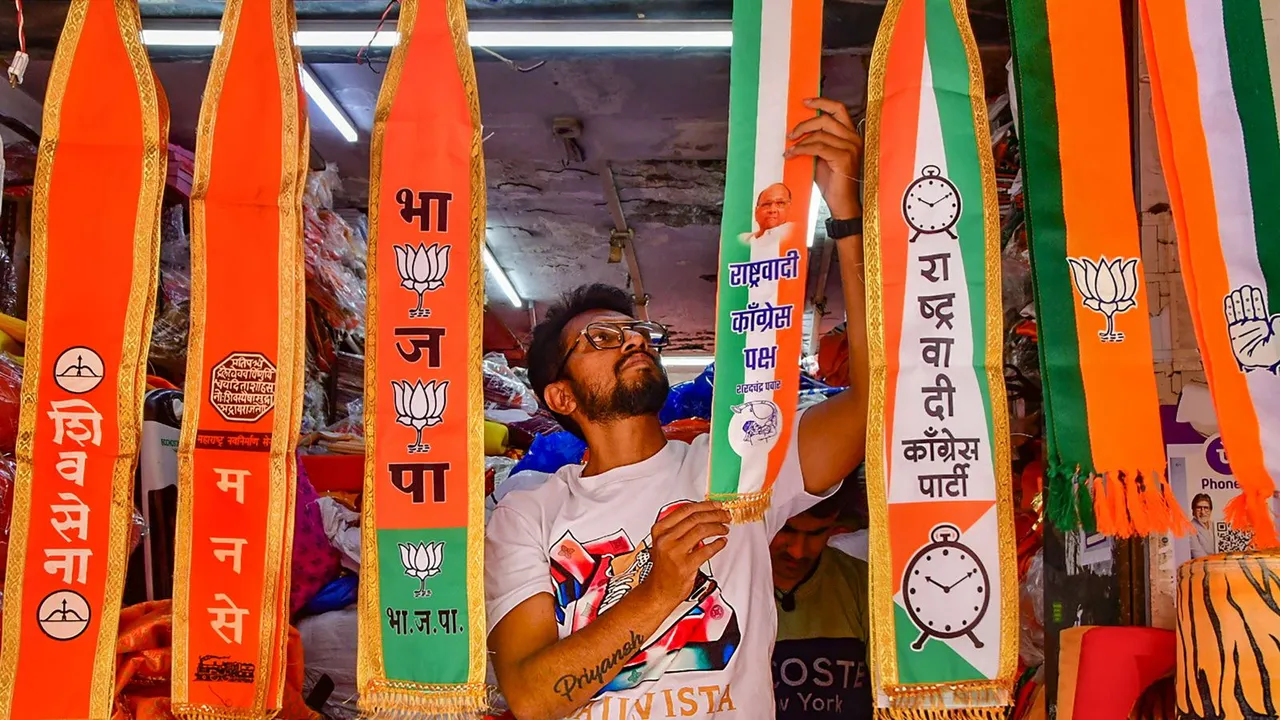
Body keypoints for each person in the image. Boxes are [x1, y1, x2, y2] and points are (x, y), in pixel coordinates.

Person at [485, 96, 869, 720]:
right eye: (602, 339)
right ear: (560, 396)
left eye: (636, 330)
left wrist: (847, 214)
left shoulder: (737, 466)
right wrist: (659, 590)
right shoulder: (531, 511)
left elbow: (873, 399)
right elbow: (530, 697)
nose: (634, 339)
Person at [771, 489, 870, 720]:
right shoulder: (729, 585)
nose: (798, 551)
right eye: (787, 530)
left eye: (816, 533)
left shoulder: (862, 583)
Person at [1189, 492, 1217, 558]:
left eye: (1206, 508)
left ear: (1210, 510)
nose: (1203, 512)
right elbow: (1199, 556)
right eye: (1199, 508)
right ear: (1193, 511)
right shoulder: (1190, 529)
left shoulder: (1214, 526)